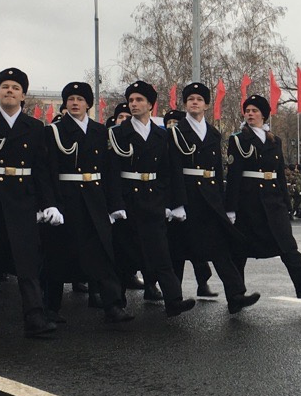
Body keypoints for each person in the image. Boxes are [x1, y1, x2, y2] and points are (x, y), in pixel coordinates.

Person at [0, 68, 61, 338]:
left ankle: (35, 316)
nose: (9, 91)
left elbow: (41, 170)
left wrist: (48, 203)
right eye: (4, 86)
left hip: (22, 199)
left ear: (23, 95)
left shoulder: (35, 127)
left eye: (15, 87)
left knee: (28, 260)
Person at [41, 81, 133, 326]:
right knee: (58, 254)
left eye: (80, 99)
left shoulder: (101, 131)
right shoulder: (55, 131)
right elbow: (46, 171)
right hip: (66, 198)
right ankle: (51, 308)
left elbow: (110, 171)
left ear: (88, 104)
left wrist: (115, 204)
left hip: (95, 198)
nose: (75, 103)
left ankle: (113, 305)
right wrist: (49, 203)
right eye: (70, 99)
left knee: (104, 252)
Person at [167, 82, 260, 313]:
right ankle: (173, 299)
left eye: (199, 99)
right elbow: (172, 169)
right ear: (185, 104)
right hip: (188, 197)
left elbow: (218, 170)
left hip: (210, 199)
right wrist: (176, 203)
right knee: (177, 250)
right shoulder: (176, 132)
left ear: (206, 105)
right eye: (190, 99)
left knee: (221, 249)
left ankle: (236, 295)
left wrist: (225, 205)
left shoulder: (213, 133)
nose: (194, 102)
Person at [106, 81, 195, 318]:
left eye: (139, 100)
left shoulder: (161, 134)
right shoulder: (117, 133)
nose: (133, 105)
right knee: (124, 255)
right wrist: (115, 204)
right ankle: (114, 304)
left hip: (153, 198)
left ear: (150, 105)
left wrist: (173, 203)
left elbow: (170, 171)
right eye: (131, 100)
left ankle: (173, 300)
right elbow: (112, 172)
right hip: (128, 198)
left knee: (161, 254)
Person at [225, 95, 301, 299]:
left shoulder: (274, 140)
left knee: (287, 242)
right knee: (239, 248)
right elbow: (234, 174)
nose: (250, 114)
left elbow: (280, 173)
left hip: (272, 199)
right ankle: (235, 295)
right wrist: (231, 207)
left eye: (254, 111)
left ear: (263, 115)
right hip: (248, 199)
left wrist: (287, 202)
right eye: (247, 111)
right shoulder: (238, 139)